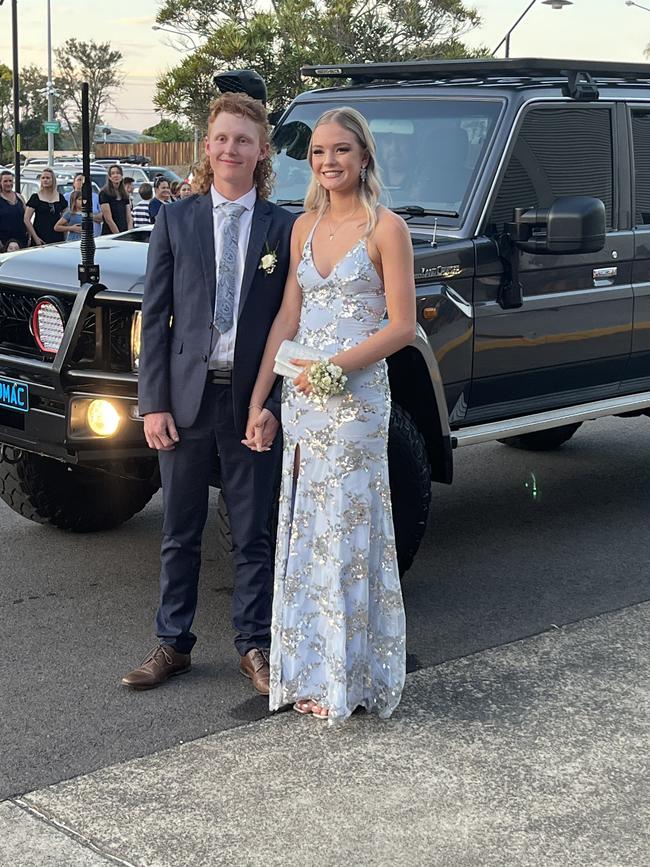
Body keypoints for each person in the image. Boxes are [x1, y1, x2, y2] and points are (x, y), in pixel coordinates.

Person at [245, 106, 416, 724]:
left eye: (340, 150)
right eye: (318, 152)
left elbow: (403, 324)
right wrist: (262, 399)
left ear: (364, 155)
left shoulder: (386, 228)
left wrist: (339, 366)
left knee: (348, 532)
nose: (328, 162)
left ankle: (354, 678)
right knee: (306, 529)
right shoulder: (303, 227)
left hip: (356, 403)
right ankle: (312, 670)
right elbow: (287, 319)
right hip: (303, 400)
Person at [121, 91, 295, 692]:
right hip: (185, 402)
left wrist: (271, 405)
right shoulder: (175, 219)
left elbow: (290, 326)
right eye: (221, 138)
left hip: (250, 402)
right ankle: (173, 644)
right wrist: (153, 403)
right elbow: (156, 314)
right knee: (179, 530)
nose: (230, 149)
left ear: (261, 150)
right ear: (207, 146)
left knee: (253, 532)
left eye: (243, 139)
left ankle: (255, 645)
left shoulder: (285, 228)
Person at [24, 168, 67, 246]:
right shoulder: (35, 197)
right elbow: (26, 219)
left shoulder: (60, 197)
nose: (45, 180)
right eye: (43, 178)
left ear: (53, 180)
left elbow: (67, 217)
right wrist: (35, 237)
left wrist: (66, 235)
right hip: (40, 237)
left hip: (57, 238)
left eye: (48, 178)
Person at [99, 164, 133, 235]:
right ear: (109, 177)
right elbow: (108, 219)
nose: (116, 175)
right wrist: (118, 235)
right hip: (110, 234)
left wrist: (129, 233)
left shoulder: (125, 194)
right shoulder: (104, 193)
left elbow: (129, 217)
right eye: (113, 173)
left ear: (121, 176)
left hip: (124, 232)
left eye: (118, 173)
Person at [0, 170, 28, 249]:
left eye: (10, 181)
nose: (8, 183)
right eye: (5, 181)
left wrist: (29, 236)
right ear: (0, 182)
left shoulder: (19, 197)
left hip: (21, 240)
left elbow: (26, 218)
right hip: (3, 241)